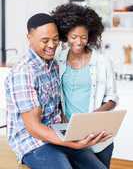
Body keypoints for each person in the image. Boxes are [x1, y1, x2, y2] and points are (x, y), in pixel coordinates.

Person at [5, 13, 110, 169]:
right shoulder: (24, 72)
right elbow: (34, 128)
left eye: (55, 40)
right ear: (29, 37)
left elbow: (58, 109)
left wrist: (77, 132)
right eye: (45, 41)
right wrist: (73, 144)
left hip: (57, 134)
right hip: (32, 142)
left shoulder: (54, 65)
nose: (52, 45)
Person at [51, 3, 118, 169]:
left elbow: (112, 98)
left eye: (84, 37)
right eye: (74, 37)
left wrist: (92, 118)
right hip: (71, 133)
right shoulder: (58, 59)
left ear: (91, 36)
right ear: (66, 35)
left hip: (98, 134)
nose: (79, 42)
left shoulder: (102, 61)